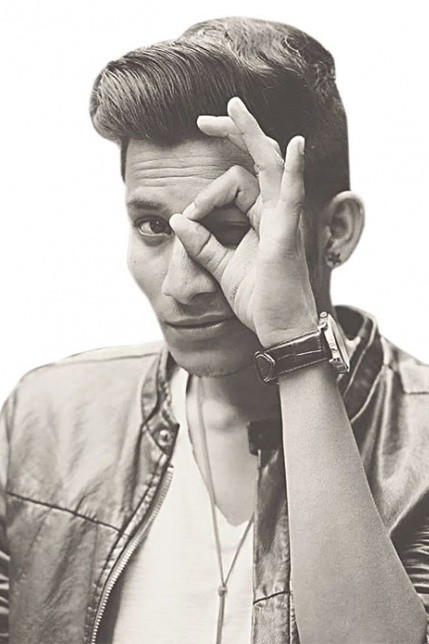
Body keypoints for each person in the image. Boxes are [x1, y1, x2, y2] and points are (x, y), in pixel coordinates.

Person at [1, 15, 428, 644]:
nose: (182, 285)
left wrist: (295, 344)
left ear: (334, 232)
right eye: (153, 227)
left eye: (230, 230)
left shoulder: (418, 445)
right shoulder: (46, 420)